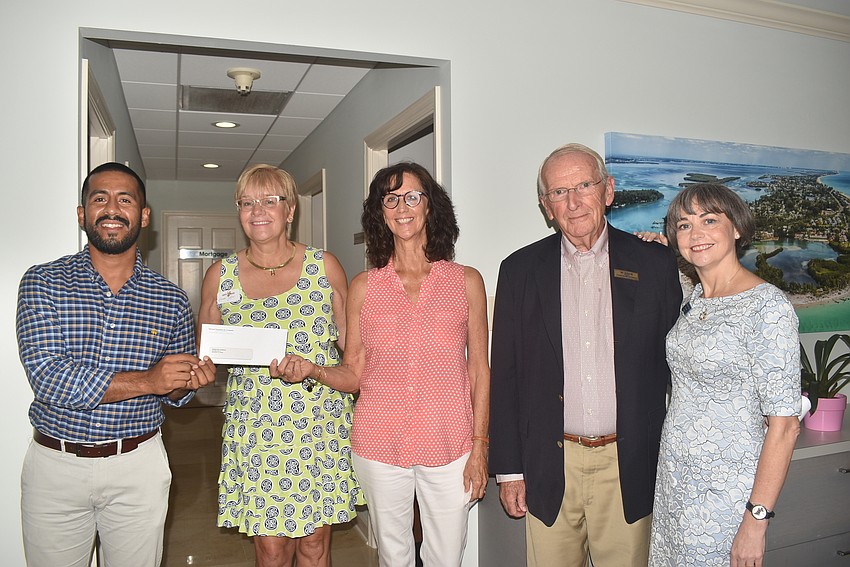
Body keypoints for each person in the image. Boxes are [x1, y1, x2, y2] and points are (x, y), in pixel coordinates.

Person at [279, 162, 490, 567]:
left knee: (446, 556)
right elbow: (354, 370)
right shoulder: (364, 287)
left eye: (412, 195)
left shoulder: (466, 281)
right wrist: (316, 370)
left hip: (451, 443)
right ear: (381, 212)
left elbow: (480, 370)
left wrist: (481, 448)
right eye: (390, 199)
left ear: (431, 206)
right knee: (393, 555)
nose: (402, 206)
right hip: (378, 442)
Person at [489, 143, 682, 566]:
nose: (573, 202)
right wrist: (509, 471)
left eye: (583, 186)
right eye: (558, 192)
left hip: (628, 465)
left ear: (608, 191)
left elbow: (679, 365)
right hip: (547, 466)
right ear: (545, 206)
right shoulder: (518, 271)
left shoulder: (654, 263)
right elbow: (504, 375)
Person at [16, 162, 217, 567]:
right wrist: (150, 380)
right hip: (56, 466)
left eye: (125, 200)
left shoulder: (171, 299)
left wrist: (187, 381)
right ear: (82, 213)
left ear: (143, 216)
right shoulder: (42, 282)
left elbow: (173, 394)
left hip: (139, 465)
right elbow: (50, 380)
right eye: (99, 198)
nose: (112, 209)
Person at [198, 164, 364, 567]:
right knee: (271, 551)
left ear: (290, 211)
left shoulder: (323, 267)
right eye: (247, 202)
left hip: (316, 423)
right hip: (255, 427)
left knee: (313, 546)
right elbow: (207, 354)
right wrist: (196, 369)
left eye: (270, 200)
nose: (258, 210)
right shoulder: (221, 275)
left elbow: (353, 348)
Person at [648, 183, 800, 567]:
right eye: (683, 225)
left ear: (736, 228)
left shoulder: (767, 308)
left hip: (727, 493)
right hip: (675, 483)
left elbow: (784, 426)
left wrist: (756, 520)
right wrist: (649, 246)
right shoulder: (695, 297)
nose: (696, 234)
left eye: (709, 220)